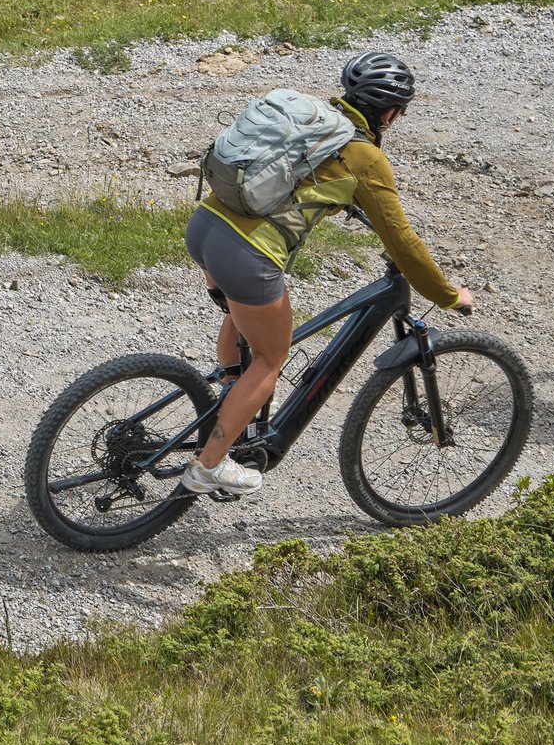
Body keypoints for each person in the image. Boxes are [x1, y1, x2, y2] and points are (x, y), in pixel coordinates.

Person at [184, 50, 472, 503]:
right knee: (269, 359)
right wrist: (448, 294)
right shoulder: (365, 157)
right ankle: (209, 467)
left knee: (246, 321)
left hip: (204, 227)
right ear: (392, 113)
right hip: (246, 254)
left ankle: (230, 405)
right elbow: (404, 243)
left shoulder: (314, 119)